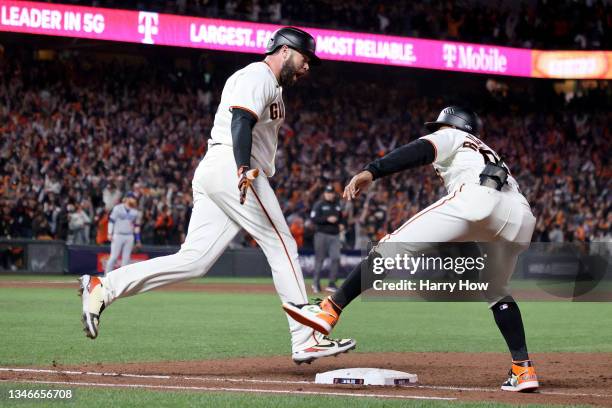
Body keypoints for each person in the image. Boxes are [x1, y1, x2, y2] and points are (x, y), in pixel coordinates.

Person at [79, 27, 356, 365]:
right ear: (284, 51)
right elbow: (241, 120)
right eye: (304, 57)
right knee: (281, 242)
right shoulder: (259, 74)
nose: (308, 65)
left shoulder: (274, 89)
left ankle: (103, 288)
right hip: (233, 166)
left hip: (220, 169)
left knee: (194, 260)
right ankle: (306, 337)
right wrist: (241, 167)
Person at [283, 106, 539, 391]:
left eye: (439, 127)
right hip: (520, 218)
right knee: (497, 291)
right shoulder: (487, 151)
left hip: (478, 200)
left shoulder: (454, 136)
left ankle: (328, 310)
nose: (436, 131)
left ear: (454, 125)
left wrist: (372, 171)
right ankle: (523, 369)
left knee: (391, 248)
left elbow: (420, 150)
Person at [310, 185, 343, 293]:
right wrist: (327, 219)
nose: (329, 194)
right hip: (321, 234)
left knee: (336, 258)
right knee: (320, 259)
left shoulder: (337, 205)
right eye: (327, 193)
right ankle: (315, 283)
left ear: (334, 194)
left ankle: (332, 283)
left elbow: (342, 218)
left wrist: (342, 224)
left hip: (335, 235)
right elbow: (313, 218)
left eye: (331, 193)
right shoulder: (319, 205)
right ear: (325, 194)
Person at [105, 193, 142, 274]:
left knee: (126, 259)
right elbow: (111, 221)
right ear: (127, 198)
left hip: (129, 236)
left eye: (134, 199)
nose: (134, 200)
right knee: (114, 257)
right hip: (118, 235)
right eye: (132, 198)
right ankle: (106, 277)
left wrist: (138, 240)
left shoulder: (135, 211)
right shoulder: (118, 208)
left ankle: (121, 279)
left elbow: (137, 226)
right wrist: (109, 233)